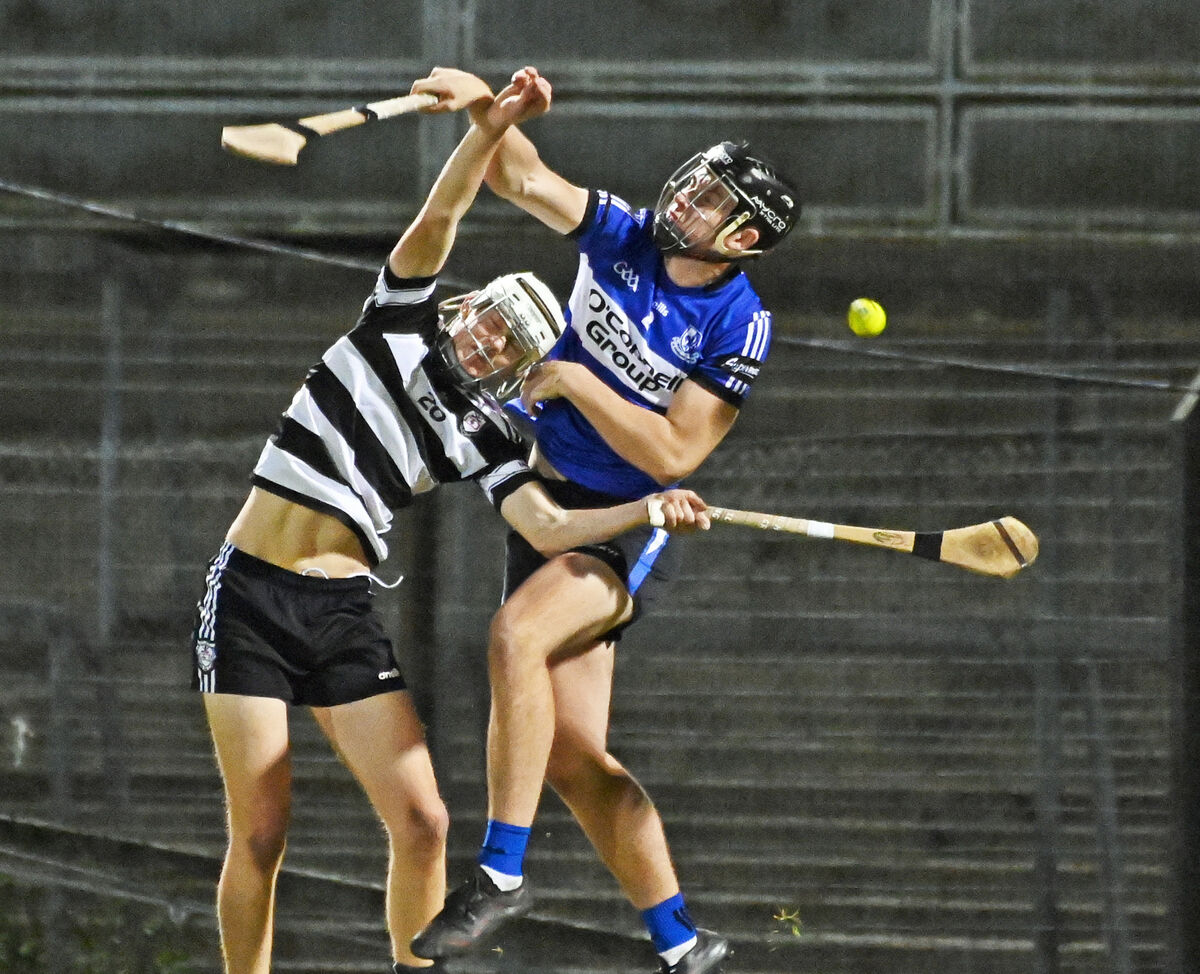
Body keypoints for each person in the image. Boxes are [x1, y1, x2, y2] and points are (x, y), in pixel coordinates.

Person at [190, 68, 709, 974]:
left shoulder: (488, 435)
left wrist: (645, 507)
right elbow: (447, 210)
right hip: (250, 595)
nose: (488, 343)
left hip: (343, 613)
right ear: (468, 305)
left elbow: (548, 529)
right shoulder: (395, 318)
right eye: (492, 321)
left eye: (511, 347)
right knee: (263, 834)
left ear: (516, 373)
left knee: (425, 821)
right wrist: (488, 124)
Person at [408, 68, 800, 974]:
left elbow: (675, 453)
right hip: (546, 500)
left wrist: (575, 377)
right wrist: (487, 108)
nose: (686, 198)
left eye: (711, 202)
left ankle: (501, 874)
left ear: (742, 239)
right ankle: (682, 945)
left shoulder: (739, 323)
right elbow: (523, 178)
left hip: (626, 523)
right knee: (576, 762)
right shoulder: (620, 233)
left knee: (514, 637)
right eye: (694, 181)